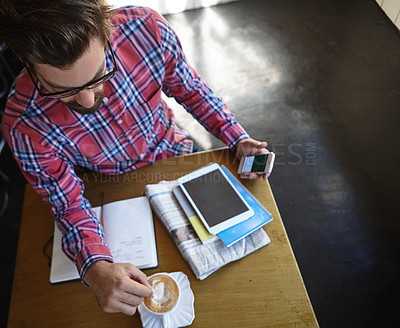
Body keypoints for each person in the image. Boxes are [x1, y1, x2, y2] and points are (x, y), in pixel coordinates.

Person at [0, 0, 269, 316]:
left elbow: (192, 90)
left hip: (174, 150)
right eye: (61, 91)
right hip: (106, 182)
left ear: (106, 26)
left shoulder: (147, 29)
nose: (88, 100)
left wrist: (235, 136)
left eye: (99, 74)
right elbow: (68, 203)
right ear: (23, 59)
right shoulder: (23, 122)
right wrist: (95, 266)